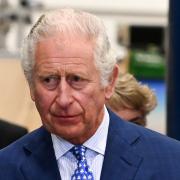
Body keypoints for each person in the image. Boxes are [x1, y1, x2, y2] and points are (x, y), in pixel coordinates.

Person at [1, 8, 180, 180]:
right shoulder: (6, 168)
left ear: (109, 82)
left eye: (77, 79)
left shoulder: (171, 162)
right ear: (31, 86)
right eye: (49, 80)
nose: (63, 99)